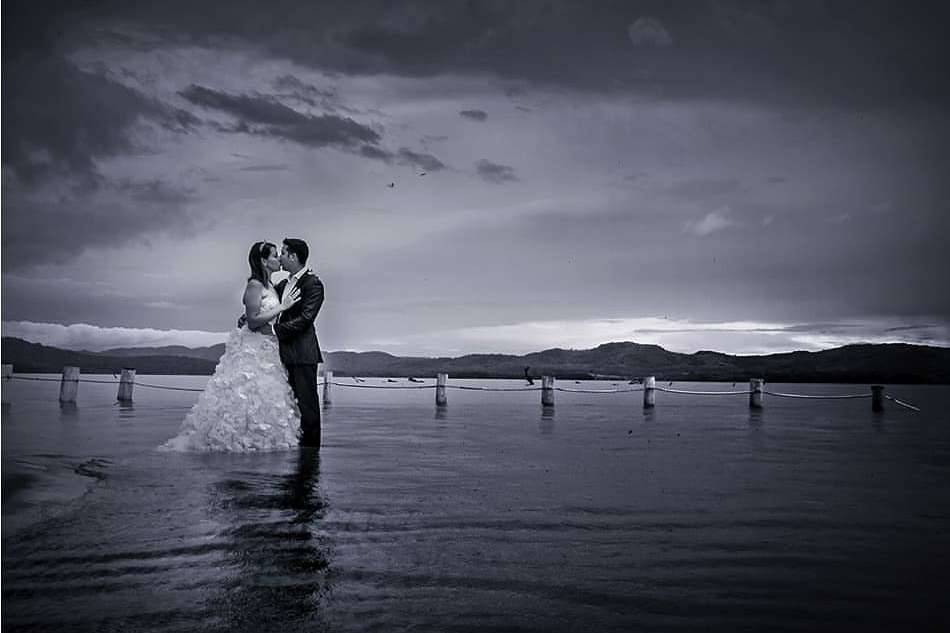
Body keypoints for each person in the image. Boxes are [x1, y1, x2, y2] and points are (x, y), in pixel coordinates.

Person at [160, 241, 301, 452]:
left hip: (268, 349)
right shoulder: (254, 285)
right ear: (263, 261)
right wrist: (282, 306)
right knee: (245, 394)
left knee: (263, 397)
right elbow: (253, 321)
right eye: (273, 256)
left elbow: (254, 316)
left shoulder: (271, 286)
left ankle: (260, 440)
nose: (278, 258)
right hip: (253, 349)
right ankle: (233, 440)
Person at [274, 238, 325, 448]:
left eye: (283, 253)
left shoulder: (313, 284)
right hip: (280, 354)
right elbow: (270, 309)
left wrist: (274, 331)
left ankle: (311, 458)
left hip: (302, 354)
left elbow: (305, 319)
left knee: (307, 407)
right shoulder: (283, 284)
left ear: (294, 256)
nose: (279, 257)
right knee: (290, 406)